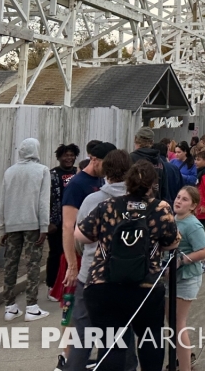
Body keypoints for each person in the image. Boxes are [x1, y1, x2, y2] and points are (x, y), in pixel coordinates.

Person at [76, 160, 180, 371]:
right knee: (150, 340)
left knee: (111, 345)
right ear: (153, 184)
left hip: (104, 283)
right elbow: (172, 243)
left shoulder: (107, 206)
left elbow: (80, 235)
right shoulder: (161, 209)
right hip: (146, 286)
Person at [64, 149, 132, 371]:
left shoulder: (92, 200)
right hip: (128, 276)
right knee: (123, 333)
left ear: (106, 172)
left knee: (83, 333)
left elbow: (78, 238)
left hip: (92, 274)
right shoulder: (142, 202)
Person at [0, 138, 51, 322]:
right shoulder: (42, 170)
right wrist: (44, 226)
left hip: (12, 223)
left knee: (10, 264)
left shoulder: (9, 172)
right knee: (33, 264)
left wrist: (3, 226)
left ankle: (10, 306)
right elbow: (43, 201)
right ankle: (32, 306)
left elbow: (3, 200)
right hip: (33, 224)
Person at [60, 142, 114, 294]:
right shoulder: (76, 185)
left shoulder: (102, 181)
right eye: (107, 164)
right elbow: (68, 226)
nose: (109, 168)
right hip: (79, 253)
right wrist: (72, 266)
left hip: (97, 256)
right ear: (94, 160)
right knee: (74, 306)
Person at [171, 186, 205, 371]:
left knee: (178, 324)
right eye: (178, 197)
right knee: (172, 323)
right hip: (172, 279)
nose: (178, 201)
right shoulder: (173, 220)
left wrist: (181, 260)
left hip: (187, 279)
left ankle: (185, 367)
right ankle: (182, 357)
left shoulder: (192, 225)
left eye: (184, 199)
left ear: (193, 206)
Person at [47, 144, 80, 293]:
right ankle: (52, 285)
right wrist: (49, 221)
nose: (69, 158)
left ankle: (69, 285)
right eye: (66, 155)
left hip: (75, 221)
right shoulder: (52, 174)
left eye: (72, 155)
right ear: (59, 157)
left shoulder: (78, 173)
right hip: (56, 223)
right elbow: (46, 199)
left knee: (72, 254)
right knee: (56, 253)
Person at [129, 127, 183, 205]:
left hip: (134, 207)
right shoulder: (159, 161)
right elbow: (164, 190)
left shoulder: (131, 159)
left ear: (135, 139)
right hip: (155, 207)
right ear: (152, 142)